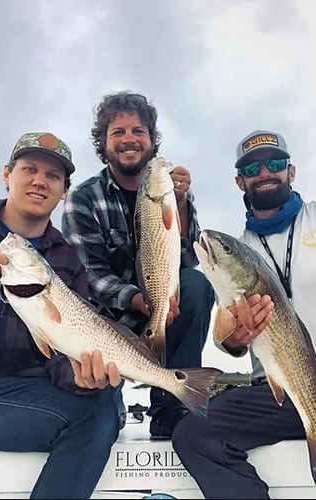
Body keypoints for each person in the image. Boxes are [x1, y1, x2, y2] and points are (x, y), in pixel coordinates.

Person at [172, 129, 316, 499]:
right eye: (252, 167)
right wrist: (237, 338)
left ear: (292, 171)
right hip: (274, 392)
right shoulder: (236, 250)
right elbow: (227, 340)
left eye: (276, 163)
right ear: (240, 181)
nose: (265, 172)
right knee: (193, 435)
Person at [61, 91, 214, 439]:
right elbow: (90, 276)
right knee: (100, 417)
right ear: (103, 142)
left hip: (165, 305)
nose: (129, 139)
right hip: (110, 320)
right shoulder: (82, 199)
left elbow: (189, 258)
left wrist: (179, 203)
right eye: (118, 132)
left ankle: (170, 406)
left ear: (152, 139)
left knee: (196, 285)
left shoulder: (174, 194)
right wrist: (139, 299)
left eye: (138, 131)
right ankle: (110, 400)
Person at [0, 131, 125, 499]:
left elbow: (61, 349)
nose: (39, 181)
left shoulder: (66, 260)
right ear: (6, 174)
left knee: (101, 406)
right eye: (29, 168)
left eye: (53, 176)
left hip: (12, 393)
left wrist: (82, 376)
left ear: (64, 190)